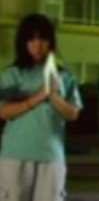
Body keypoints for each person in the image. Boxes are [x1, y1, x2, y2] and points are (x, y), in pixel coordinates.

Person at [0, 14, 82, 201]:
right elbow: (3, 111)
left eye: (43, 39)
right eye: (31, 40)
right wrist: (38, 96)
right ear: (23, 42)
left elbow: (73, 114)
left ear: (50, 42)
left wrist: (53, 95)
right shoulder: (12, 74)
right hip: (16, 155)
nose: (37, 45)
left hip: (52, 156)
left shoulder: (64, 76)